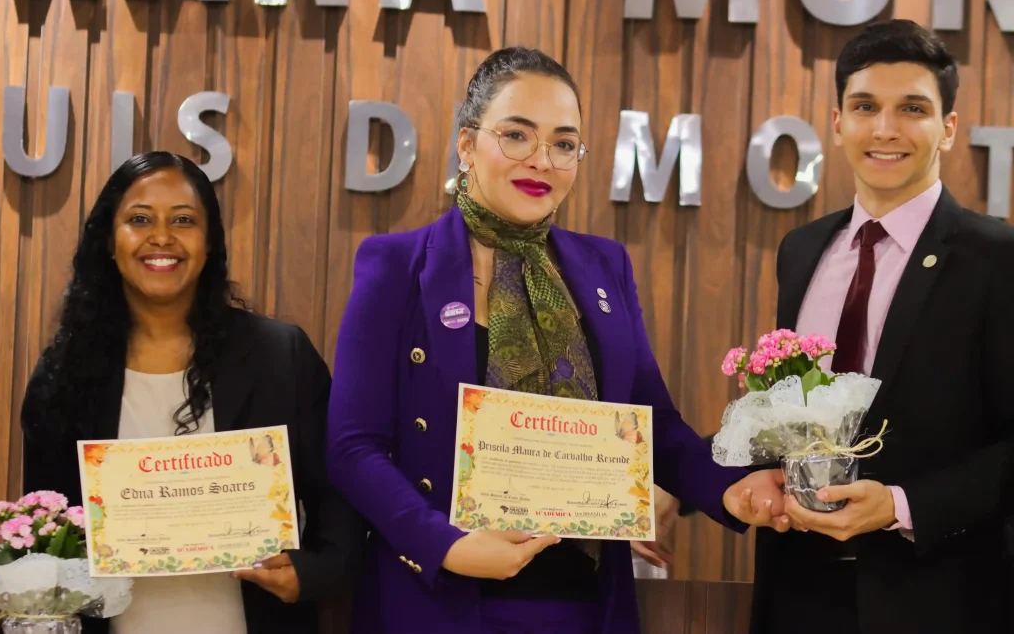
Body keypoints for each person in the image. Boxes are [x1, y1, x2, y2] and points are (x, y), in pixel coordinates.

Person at [324, 47, 788, 634]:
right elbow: (352, 447)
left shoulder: (604, 266)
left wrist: (730, 489)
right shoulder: (396, 265)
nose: (541, 160)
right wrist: (444, 545)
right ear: (467, 146)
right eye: (516, 135)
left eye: (564, 143)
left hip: (586, 604)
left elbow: (654, 427)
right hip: (440, 598)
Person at [20, 152, 366, 634]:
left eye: (183, 220)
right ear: (108, 241)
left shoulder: (278, 356)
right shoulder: (62, 376)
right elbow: (49, 532)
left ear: (209, 243)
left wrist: (310, 573)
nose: (162, 236)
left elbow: (340, 495)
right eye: (139, 219)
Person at [750, 20, 1014, 634]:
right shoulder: (802, 250)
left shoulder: (997, 258)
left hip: (935, 599)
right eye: (865, 106)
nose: (885, 129)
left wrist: (900, 505)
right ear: (838, 122)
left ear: (947, 128)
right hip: (797, 590)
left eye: (912, 109)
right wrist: (699, 485)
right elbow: (789, 416)